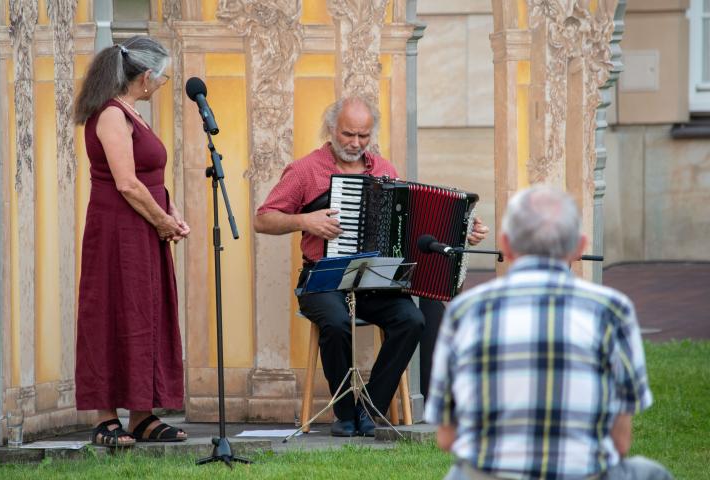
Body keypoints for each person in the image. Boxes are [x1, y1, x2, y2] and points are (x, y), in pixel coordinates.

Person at [255, 96, 486, 437]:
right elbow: (263, 219)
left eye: (363, 136)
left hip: (375, 278)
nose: (356, 143)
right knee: (334, 323)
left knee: (412, 320)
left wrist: (465, 231)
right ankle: (345, 413)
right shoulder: (305, 170)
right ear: (331, 129)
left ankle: (370, 408)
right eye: (348, 134)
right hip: (323, 277)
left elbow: (412, 226)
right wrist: (306, 220)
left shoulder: (385, 170)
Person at [425, 186, 673, 480]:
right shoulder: (613, 310)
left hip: (487, 476)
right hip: (583, 475)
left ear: (505, 244)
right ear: (580, 247)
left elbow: (446, 438)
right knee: (651, 473)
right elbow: (620, 442)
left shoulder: (464, 311)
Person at [74, 36, 190, 448]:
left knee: (146, 313)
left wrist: (171, 211)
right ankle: (106, 416)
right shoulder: (109, 116)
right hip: (118, 231)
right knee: (112, 311)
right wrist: (162, 222)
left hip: (144, 226)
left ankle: (142, 414)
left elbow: (150, 175)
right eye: (161, 77)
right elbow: (126, 182)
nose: (163, 83)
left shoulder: (133, 113)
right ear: (145, 77)